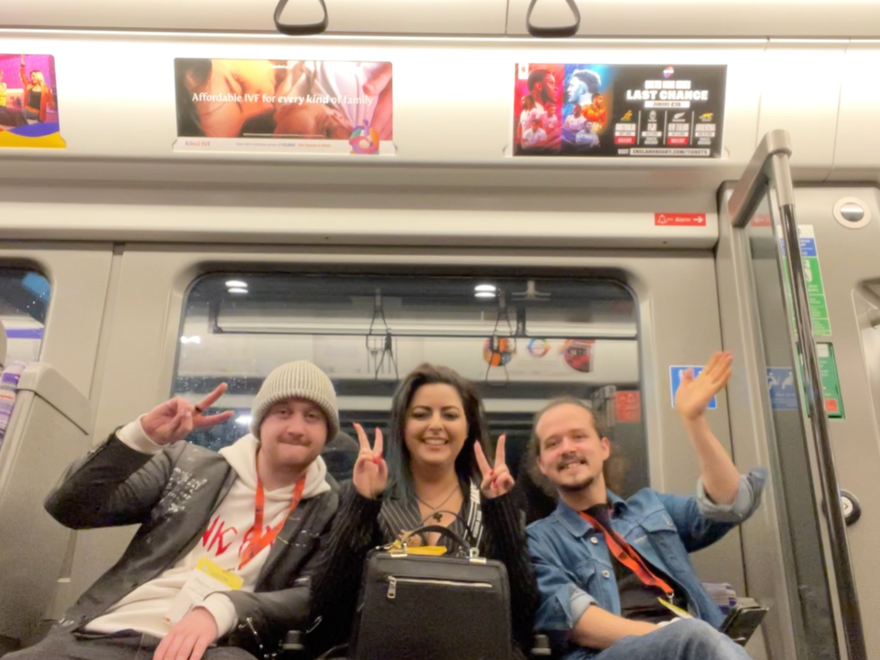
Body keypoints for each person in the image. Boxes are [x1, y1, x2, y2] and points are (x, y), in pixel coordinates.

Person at [8, 361, 340, 660]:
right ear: (261, 423)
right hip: (106, 634)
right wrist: (141, 439)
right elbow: (69, 507)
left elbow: (311, 599)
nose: (296, 427)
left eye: (312, 417)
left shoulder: (328, 508)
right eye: (282, 412)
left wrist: (224, 607)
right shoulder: (187, 465)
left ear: (327, 432)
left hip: (215, 648)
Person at [527, 352, 766, 660]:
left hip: (693, 644)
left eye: (578, 436)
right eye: (553, 443)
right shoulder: (539, 539)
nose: (567, 448)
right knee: (698, 637)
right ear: (541, 464)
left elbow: (729, 504)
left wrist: (694, 421)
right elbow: (577, 621)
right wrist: (673, 636)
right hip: (608, 654)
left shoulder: (651, 507)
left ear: (603, 447)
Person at [308, 363, 539, 659]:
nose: (436, 425)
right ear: (402, 426)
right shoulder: (370, 499)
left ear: (468, 427)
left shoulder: (494, 502)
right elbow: (326, 606)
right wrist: (362, 503)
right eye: (421, 414)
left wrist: (501, 511)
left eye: (450, 415)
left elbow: (524, 613)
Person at [20, 55, 55, 123]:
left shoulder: (46, 89)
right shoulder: (29, 86)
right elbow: (22, 75)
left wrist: (52, 105)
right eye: (31, 76)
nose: (32, 78)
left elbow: (51, 104)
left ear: (39, 76)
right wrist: (22, 62)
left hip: (37, 115)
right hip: (25, 112)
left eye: (33, 76)